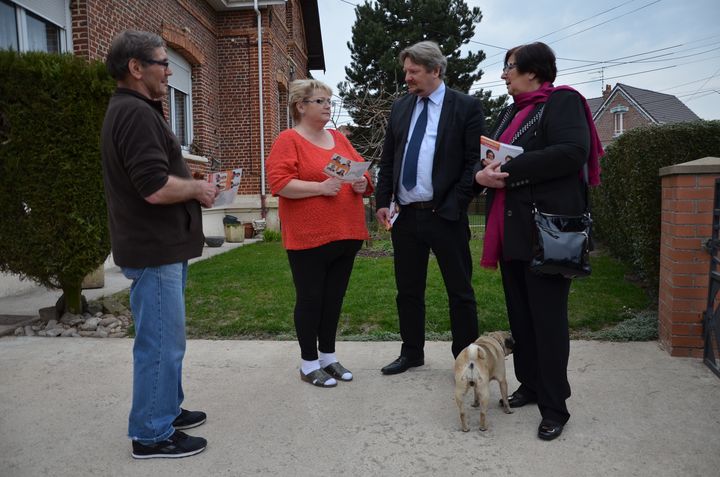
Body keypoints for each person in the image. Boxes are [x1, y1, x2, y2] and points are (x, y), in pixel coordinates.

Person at [474, 42, 603, 441]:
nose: (503, 74)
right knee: (522, 320)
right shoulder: (509, 112)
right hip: (512, 230)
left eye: (509, 67)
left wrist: (510, 170)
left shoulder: (561, 102)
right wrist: (484, 174)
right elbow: (488, 159)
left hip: (548, 233)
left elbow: (571, 152)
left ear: (533, 70)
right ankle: (530, 384)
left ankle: (555, 406)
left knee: (547, 323)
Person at [101, 30, 219, 459]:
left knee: (168, 339)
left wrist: (191, 183)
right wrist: (196, 191)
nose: (170, 72)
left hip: (161, 246)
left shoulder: (138, 110)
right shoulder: (133, 114)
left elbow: (152, 176)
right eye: (163, 63)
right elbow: (152, 188)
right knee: (161, 343)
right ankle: (151, 433)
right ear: (136, 68)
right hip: (154, 249)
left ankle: (165, 408)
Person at [375, 41, 484, 375]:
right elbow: (389, 159)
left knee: (460, 292)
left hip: (445, 216)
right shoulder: (400, 108)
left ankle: (466, 360)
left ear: (435, 70)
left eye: (414, 71)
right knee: (407, 291)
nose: (407, 77)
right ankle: (411, 352)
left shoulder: (465, 107)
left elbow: (473, 164)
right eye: (406, 70)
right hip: (406, 216)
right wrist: (382, 201)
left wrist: (453, 205)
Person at [266, 79, 373, 388]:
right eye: (321, 101)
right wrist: (320, 188)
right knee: (311, 299)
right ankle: (308, 362)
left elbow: (361, 171)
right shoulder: (289, 140)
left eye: (329, 101)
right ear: (301, 106)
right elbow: (280, 183)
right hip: (309, 237)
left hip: (346, 233)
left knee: (334, 299)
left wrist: (362, 182)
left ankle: (328, 357)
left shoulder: (338, 138)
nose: (328, 106)